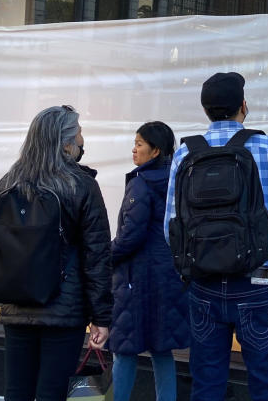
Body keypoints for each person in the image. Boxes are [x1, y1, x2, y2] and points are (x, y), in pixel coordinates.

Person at [164, 72, 268, 401]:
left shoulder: (185, 153)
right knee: (266, 387)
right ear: (244, 106)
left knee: (207, 387)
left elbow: (171, 224)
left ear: (206, 110)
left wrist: (190, 268)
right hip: (257, 284)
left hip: (204, 286)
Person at [0, 105, 113, 401]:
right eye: (79, 133)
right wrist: (102, 317)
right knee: (52, 393)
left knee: (16, 391)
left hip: (17, 308)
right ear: (65, 143)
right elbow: (97, 257)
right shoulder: (81, 186)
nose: (82, 139)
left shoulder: (7, 184)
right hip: (64, 312)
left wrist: (15, 277)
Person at [108, 121, 190, 401]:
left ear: (155, 151)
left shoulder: (141, 183)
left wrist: (104, 256)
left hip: (136, 278)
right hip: (168, 275)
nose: (134, 149)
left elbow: (131, 235)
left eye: (139, 144)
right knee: (162, 349)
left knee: (125, 349)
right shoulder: (178, 180)